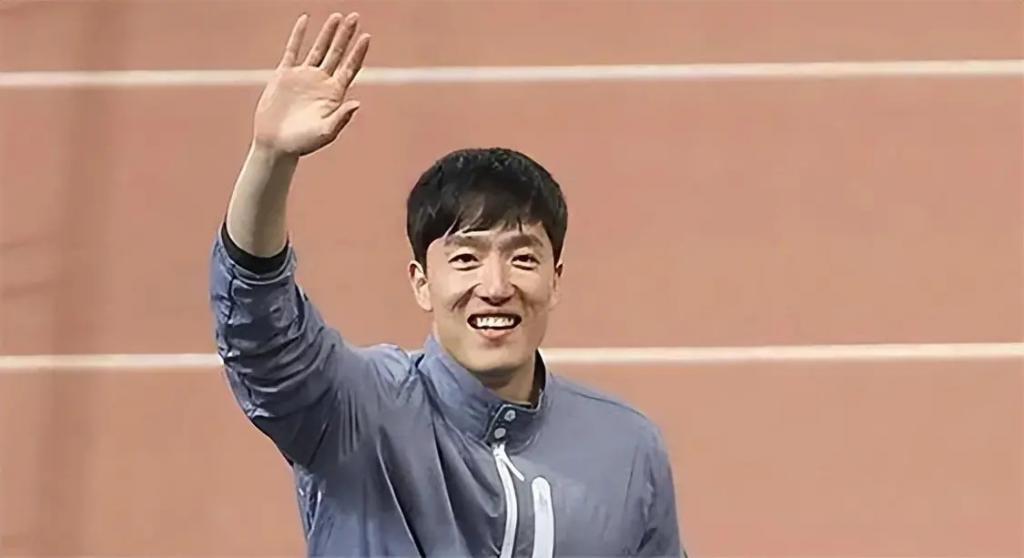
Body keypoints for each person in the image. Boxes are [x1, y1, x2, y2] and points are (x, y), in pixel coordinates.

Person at [208, 11, 686, 558]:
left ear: (555, 279)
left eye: (522, 258)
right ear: (421, 282)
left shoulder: (627, 450)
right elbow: (262, 334)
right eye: (466, 258)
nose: (496, 285)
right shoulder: (358, 412)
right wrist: (270, 159)